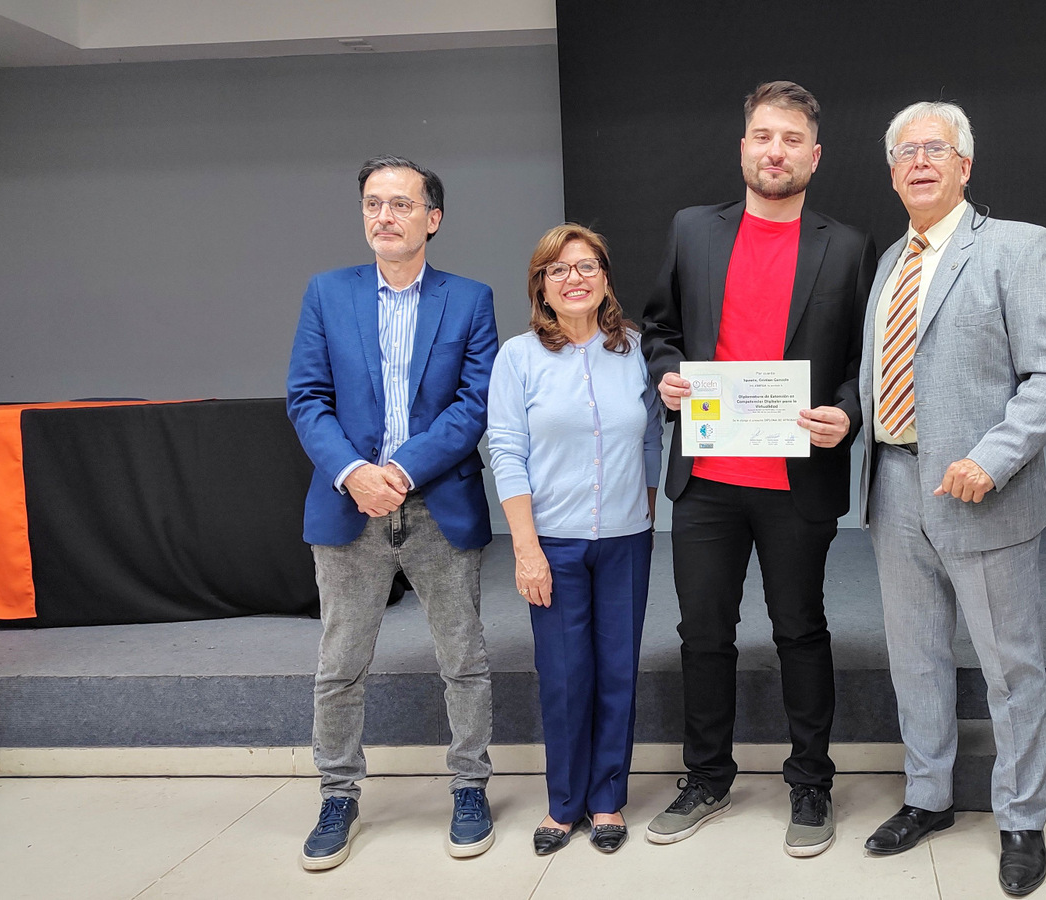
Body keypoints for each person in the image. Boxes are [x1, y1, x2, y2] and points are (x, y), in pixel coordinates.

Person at [639, 80, 876, 857]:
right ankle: (707, 777)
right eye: (764, 136)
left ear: (815, 156)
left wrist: (849, 411)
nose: (776, 151)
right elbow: (660, 330)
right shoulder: (692, 230)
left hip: (796, 482)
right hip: (706, 480)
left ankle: (811, 783)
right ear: (744, 147)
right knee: (703, 636)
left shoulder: (849, 246)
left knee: (800, 631)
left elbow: (864, 362)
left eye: (792, 140)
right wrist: (667, 376)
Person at [857, 102, 1046, 896]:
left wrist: (991, 458)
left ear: (965, 165)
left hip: (983, 492)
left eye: (936, 148)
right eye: (905, 151)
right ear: (892, 171)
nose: (919, 161)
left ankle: (1022, 819)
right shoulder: (890, 262)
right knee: (915, 660)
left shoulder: (1020, 247)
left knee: (1009, 667)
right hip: (893, 486)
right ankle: (928, 797)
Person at [286, 155, 498, 870]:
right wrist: (355, 473)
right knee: (340, 663)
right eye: (373, 203)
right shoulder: (327, 293)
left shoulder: (470, 299)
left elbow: (474, 403)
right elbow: (306, 398)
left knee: (463, 658)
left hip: (439, 504)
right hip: (350, 502)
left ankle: (469, 786)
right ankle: (337, 794)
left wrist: (402, 471)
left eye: (402, 204)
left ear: (432, 219)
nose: (385, 216)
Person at [486, 224, 662, 855]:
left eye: (586, 266)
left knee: (617, 672)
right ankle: (563, 804)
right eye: (557, 270)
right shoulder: (518, 357)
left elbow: (650, 438)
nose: (574, 279)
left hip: (626, 542)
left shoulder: (636, 352)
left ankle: (607, 799)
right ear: (541, 286)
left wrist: (643, 509)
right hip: (552, 545)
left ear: (605, 278)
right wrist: (525, 549)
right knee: (564, 677)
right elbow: (506, 453)